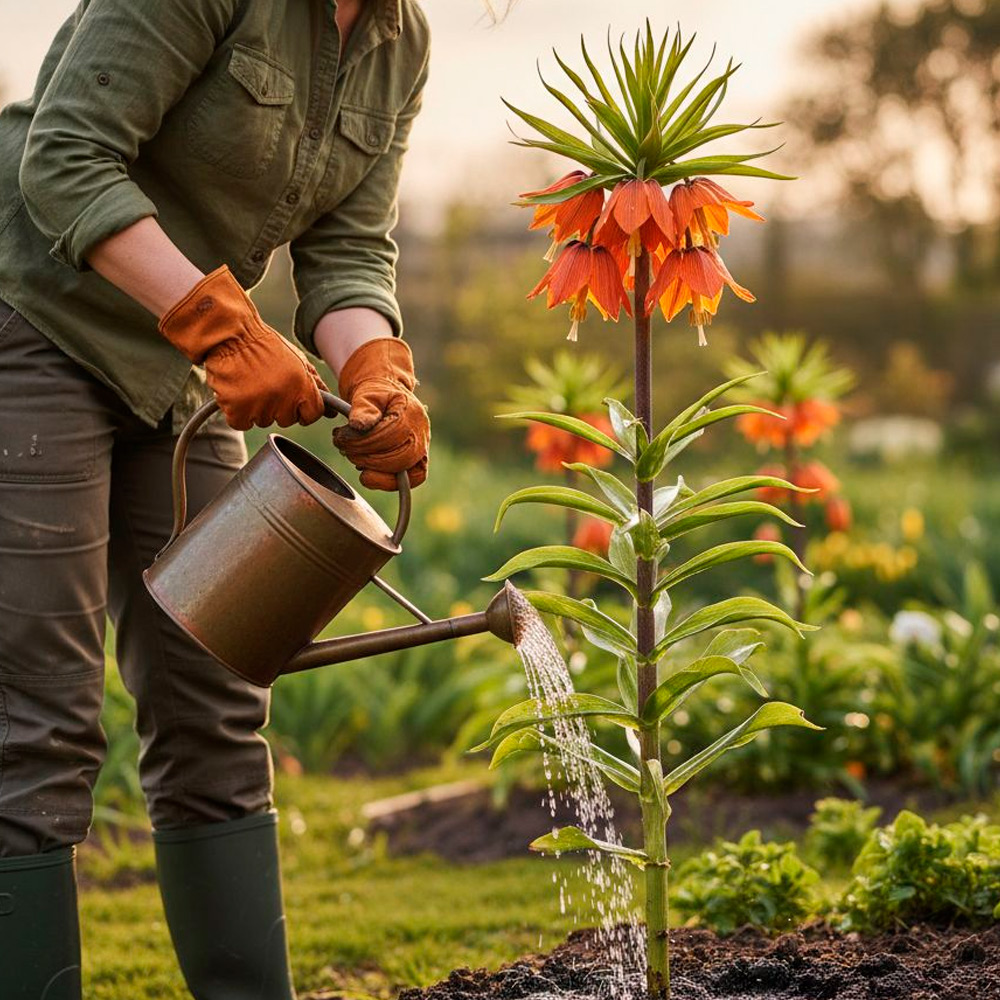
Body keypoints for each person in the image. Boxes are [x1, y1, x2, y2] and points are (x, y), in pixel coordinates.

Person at [0, 0, 431, 996]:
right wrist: (225, 330)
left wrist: (375, 372)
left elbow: (351, 246)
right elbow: (64, 158)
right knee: (34, 719)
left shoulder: (397, 39)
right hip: (32, 323)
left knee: (217, 699)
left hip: (178, 377)